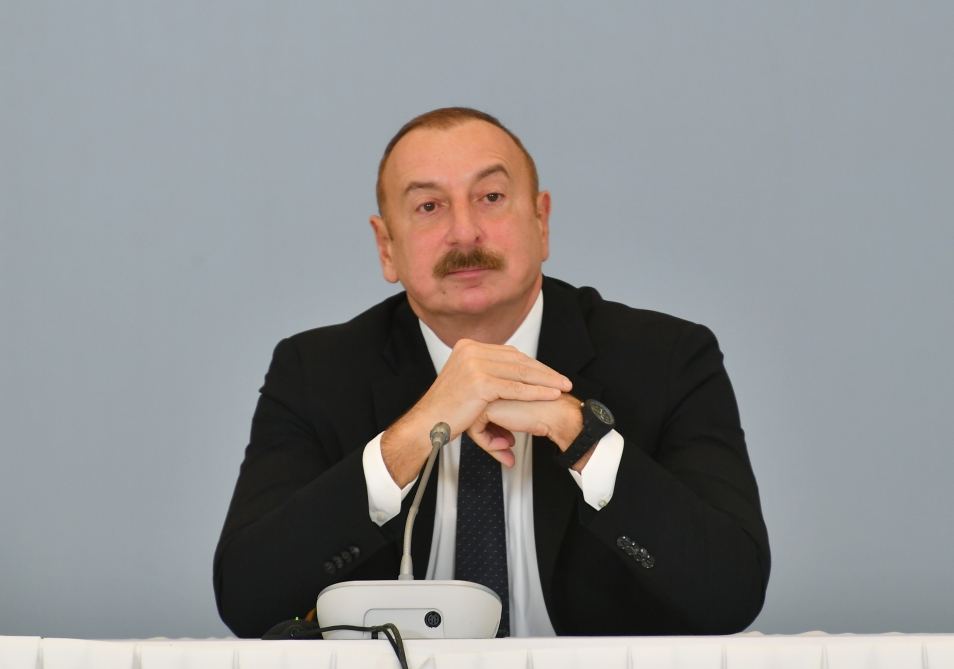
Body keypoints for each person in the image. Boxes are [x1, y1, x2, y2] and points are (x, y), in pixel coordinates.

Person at [213, 107, 770, 638]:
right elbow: (247, 598)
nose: (464, 232)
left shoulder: (667, 357)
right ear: (387, 247)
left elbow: (731, 592)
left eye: (491, 197)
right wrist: (414, 434)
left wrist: (579, 434)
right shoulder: (315, 372)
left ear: (541, 221)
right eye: (429, 206)